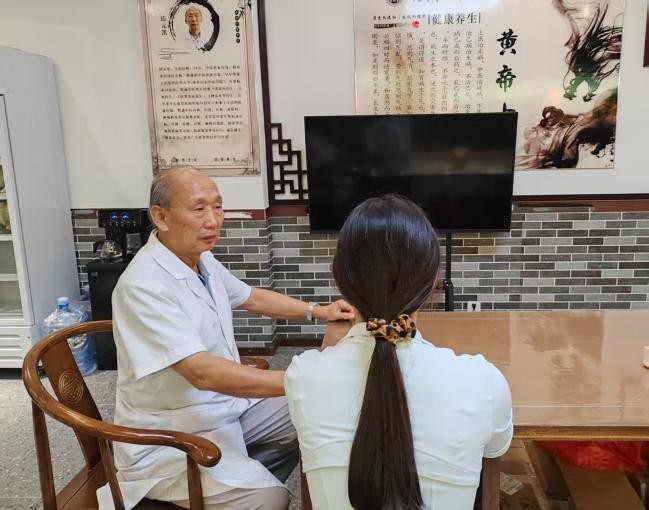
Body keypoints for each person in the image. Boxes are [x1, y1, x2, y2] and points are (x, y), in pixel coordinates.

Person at [96, 167, 354, 510]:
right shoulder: (144, 285)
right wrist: (305, 377)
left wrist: (319, 311)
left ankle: (241, 479)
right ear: (161, 217)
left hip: (223, 409)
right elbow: (201, 372)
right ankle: (247, 487)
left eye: (218, 207)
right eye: (199, 208)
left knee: (314, 411)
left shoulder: (201, 260)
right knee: (270, 499)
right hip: (172, 435)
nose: (213, 220)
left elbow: (251, 297)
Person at [284, 195, 513, 509]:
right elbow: (494, 451)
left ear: (339, 280)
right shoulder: (483, 381)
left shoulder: (303, 376)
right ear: (432, 281)